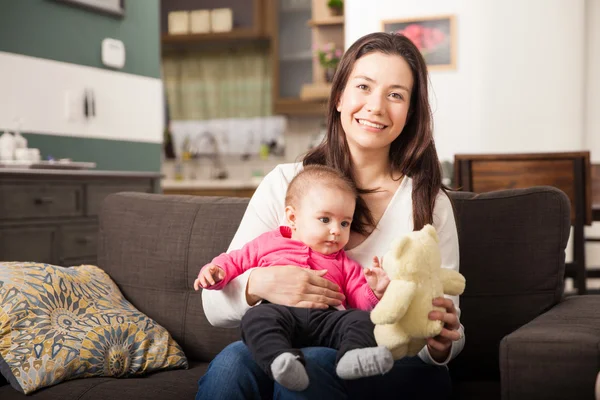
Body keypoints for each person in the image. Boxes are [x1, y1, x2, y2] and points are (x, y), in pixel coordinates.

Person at [196, 31, 463, 400]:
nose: (376, 106)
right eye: (364, 87)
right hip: (292, 337)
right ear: (339, 96)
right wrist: (260, 284)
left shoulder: (427, 202)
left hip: (391, 363)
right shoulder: (286, 184)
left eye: (396, 95)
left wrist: (440, 343)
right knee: (231, 363)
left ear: (411, 113)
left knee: (315, 361)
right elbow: (212, 305)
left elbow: (449, 333)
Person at [194, 165, 392, 391]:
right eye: (325, 219)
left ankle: (352, 358)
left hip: (326, 321)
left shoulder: (343, 262)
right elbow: (235, 261)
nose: (336, 230)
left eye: (345, 223)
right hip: (278, 314)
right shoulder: (269, 242)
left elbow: (359, 299)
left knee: (361, 320)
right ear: (292, 217)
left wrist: (374, 291)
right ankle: (280, 360)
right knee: (254, 319)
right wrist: (216, 271)